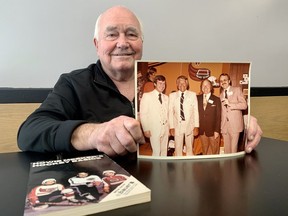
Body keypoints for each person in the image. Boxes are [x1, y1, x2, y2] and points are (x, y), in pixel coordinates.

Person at [17, 6, 262, 157]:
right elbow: (29, 133)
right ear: (97, 44)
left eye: (131, 34)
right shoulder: (73, 84)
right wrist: (92, 134)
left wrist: (240, 120)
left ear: (141, 43)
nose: (122, 42)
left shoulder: (156, 88)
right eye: (112, 34)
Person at [169, 75, 199, 156]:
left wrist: (196, 126)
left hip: (190, 125)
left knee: (189, 148)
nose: (182, 85)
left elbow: (196, 111)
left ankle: (189, 165)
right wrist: (171, 127)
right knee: (178, 148)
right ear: (177, 85)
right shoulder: (172, 96)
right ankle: (178, 165)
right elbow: (170, 112)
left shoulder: (192, 95)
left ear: (187, 84)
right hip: (177, 125)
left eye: (184, 83)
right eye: (180, 83)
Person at [140, 75, 169, 156]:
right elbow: (143, 114)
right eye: (160, 83)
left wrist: (169, 128)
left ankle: (163, 168)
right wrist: (146, 129)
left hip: (165, 129)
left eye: (164, 84)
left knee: (164, 151)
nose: (162, 86)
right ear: (155, 84)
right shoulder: (147, 96)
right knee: (156, 152)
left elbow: (168, 114)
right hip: (154, 129)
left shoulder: (166, 98)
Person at [219, 73, 248, 153]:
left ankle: (233, 165)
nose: (223, 82)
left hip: (235, 125)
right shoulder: (221, 95)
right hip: (225, 126)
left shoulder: (237, 90)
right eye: (221, 81)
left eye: (225, 80)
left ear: (229, 81)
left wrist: (230, 104)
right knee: (226, 150)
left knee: (233, 150)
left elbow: (244, 105)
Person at [197, 79, 221, 155]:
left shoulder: (217, 99)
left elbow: (218, 116)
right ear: (201, 88)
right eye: (203, 85)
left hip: (213, 131)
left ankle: (215, 166)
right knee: (204, 151)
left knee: (214, 151)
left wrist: (217, 130)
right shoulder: (197, 98)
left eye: (207, 85)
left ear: (211, 87)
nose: (205, 87)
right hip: (202, 130)